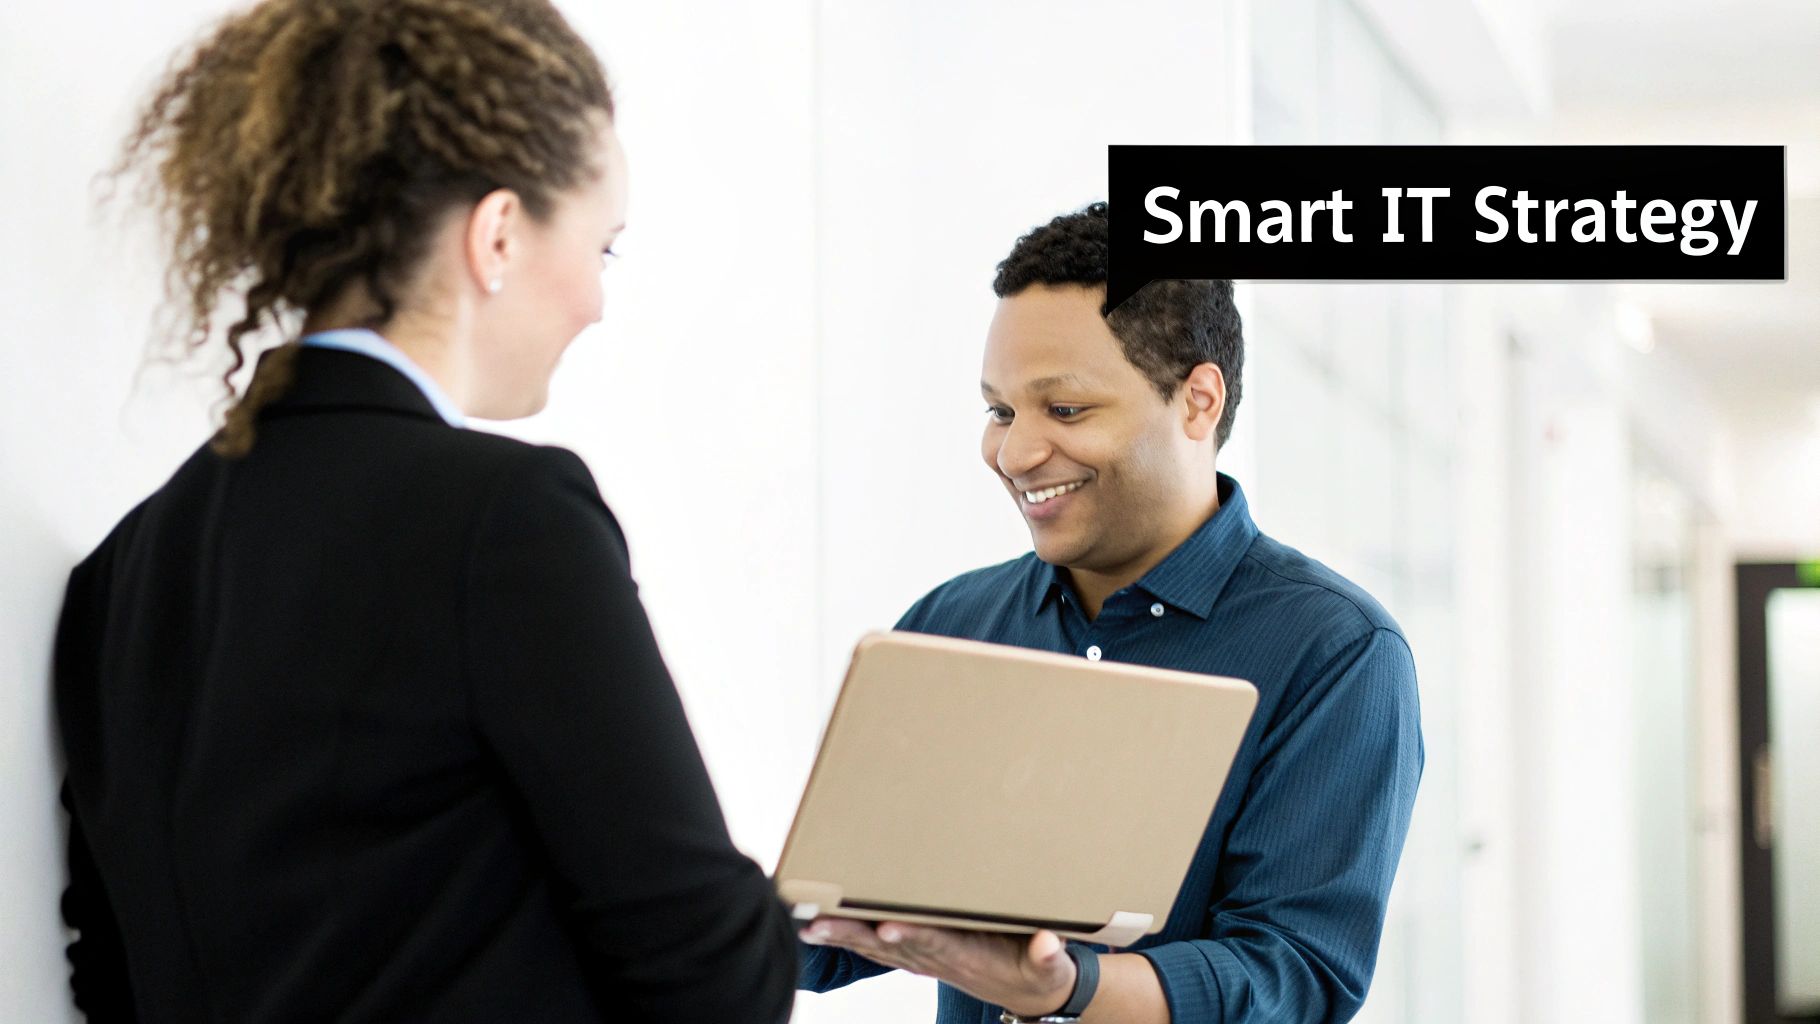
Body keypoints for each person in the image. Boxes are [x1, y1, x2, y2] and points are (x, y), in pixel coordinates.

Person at [52, 1, 796, 1021]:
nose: (595, 301)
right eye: (603, 248)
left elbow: (109, 974)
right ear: (496, 233)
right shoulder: (508, 519)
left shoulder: (124, 569)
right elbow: (710, 975)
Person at [796, 203, 1423, 1024]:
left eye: (1064, 411)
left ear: (1198, 401)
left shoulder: (1336, 651)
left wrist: (1067, 987)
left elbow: (1293, 978)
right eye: (999, 411)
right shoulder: (951, 624)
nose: (1015, 454)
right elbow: (840, 918)